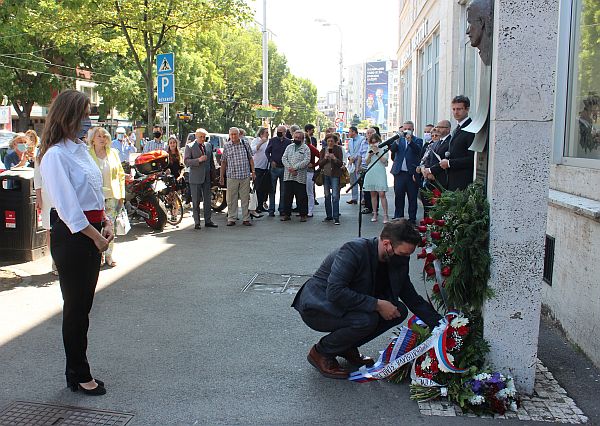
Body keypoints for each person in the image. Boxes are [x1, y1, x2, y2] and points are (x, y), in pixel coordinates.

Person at [292, 219, 442, 379]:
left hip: (348, 304)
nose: (406, 258)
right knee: (366, 320)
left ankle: (346, 347)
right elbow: (335, 292)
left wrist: (442, 326)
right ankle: (321, 352)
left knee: (398, 310)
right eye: (403, 253)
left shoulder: (398, 258)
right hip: (319, 306)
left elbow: (411, 298)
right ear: (387, 244)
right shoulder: (353, 250)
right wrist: (377, 304)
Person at [38, 89, 113, 395]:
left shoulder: (80, 149)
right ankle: (79, 373)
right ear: (68, 116)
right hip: (73, 236)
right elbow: (68, 207)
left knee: (83, 306)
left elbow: (95, 192)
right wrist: (96, 237)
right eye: (83, 114)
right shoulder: (55, 155)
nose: (88, 120)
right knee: (76, 308)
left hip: (91, 231)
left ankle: (75, 371)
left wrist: (106, 222)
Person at [88, 126, 125, 267]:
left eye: (105, 136)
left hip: (112, 195)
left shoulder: (113, 153)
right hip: (94, 196)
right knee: (96, 226)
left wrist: (121, 194)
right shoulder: (87, 154)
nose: (103, 139)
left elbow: (120, 174)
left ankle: (109, 255)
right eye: (99, 136)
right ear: (93, 140)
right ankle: (98, 256)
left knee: (110, 226)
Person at [429, 96, 475, 191]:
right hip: (452, 180)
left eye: (459, 109)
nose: (455, 112)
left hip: (463, 181)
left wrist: (449, 163)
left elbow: (472, 159)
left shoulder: (471, 129)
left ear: (467, 109)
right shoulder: (457, 129)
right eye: (453, 109)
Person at [220, 127, 256, 226]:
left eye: (235, 134)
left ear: (239, 134)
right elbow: (223, 162)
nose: (233, 136)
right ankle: (232, 218)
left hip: (245, 175)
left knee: (245, 198)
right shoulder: (227, 146)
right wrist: (221, 176)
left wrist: (253, 171)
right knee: (231, 199)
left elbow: (250, 158)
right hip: (232, 175)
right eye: (231, 134)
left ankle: (246, 218)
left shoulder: (245, 144)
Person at [389, 120, 423, 223]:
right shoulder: (399, 140)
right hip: (399, 173)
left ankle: (412, 218)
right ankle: (398, 216)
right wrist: (397, 141)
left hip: (411, 173)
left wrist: (410, 141)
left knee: (412, 197)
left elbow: (418, 150)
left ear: (413, 129)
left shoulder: (418, 140)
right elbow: (393, 150)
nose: (407, 131)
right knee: (399, 195)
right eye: (405, 129)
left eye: (409, 129)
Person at [184, 128, 218, 230]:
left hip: (206, 177)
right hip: (195, 178)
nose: (203, 139)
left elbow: (211, 162)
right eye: (201, 137)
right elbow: (186, 161)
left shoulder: (208, 145)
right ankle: (197, 222)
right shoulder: (189, 147)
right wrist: (198, 160)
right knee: (196, 201)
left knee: (207, 200)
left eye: (204, 137)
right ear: (196, 136)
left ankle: (208, 220)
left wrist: (214, 176)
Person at [280, 130, 311, 222]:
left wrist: (295, 168)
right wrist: (290, 168)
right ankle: (287, 214)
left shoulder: (305, 148)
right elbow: (284, 158)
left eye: (298, 138)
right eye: (295, 137)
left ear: (302, 139)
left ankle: (303, 215)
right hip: (288, 175)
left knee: (301, 196)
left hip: (299, 176)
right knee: (287, 196)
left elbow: (306, 160)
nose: (296, 139)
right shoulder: (289, 147)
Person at [265, 125, 291, 216]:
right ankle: (271, 210)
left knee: (283, 190)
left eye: (281, 131)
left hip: (284, 168)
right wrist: (271, 160)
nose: (279, 133)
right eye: (278, 131)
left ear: (285, 132)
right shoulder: (272, 140)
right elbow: (267, 151)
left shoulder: (288, 142)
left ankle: (282, 209)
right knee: (272, 190)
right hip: (274, 168)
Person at [363, 133, 390, 223]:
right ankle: (375, 213)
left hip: (380, 170)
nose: (374, 144)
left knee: (382, 193)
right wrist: (370, 155)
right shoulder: (369, 148)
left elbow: (384, 161)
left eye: (375, 142)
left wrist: (377, 152)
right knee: (373, 193)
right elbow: (366, 162)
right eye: (372, 142)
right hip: (371, 171)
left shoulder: (384, 147)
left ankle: (386, 215)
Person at [319, 133, 344, 225]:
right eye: (328, 141)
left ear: (335, 142)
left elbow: (340, 163)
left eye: (332, 141)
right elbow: (320, 164)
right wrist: (325, 158)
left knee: (335, 196)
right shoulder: (323, 150)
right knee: (327, 195)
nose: (330, 143)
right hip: (325, 175)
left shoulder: (338, 149)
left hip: (335, 175)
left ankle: (336, 217)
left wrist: (334, 158)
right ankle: (329, 215)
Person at [251, 127, 271, 213]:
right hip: (257, 167)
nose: (268, 134)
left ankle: (261, 205)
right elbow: (252, 151)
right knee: (257, 187)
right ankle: (255, 207)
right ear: (261, 133)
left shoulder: (268, 141)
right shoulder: (256, 140)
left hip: (266, 167)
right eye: (266, 132)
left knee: (264, 188)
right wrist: (260, 143)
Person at [345, 126, 365, 205]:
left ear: (354, 132)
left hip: (359, 162)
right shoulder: (350, 141)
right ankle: (354, 198)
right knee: (352, 181)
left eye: (349, 132)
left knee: (360, 180)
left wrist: (355, 157)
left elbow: (362, 150)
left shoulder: (362, 139)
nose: (348, 133)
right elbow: (348, 151)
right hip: (352, 163)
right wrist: (349, 157)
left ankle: (363, 198)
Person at [305, 131, 321, 217]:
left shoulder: (310, 147)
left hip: (309, 172)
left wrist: (314, 164)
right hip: (299, 172)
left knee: (309, 192)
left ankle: (310, 211)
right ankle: (303, 209)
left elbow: (320, 156)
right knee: (302, 192)